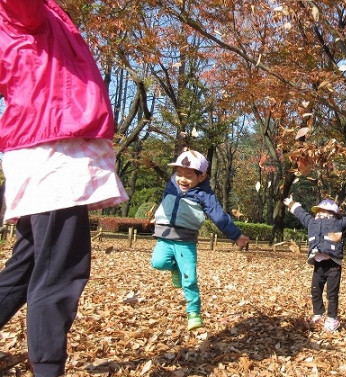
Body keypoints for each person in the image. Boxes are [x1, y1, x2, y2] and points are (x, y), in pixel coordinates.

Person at [0, 1, 129, 376]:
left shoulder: (49, 13)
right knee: (60, 269)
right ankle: (47, 370)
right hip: (52, 153)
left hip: (50, 148)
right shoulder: (22, 12)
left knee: (25, 269)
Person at [150, 150, 250, 331]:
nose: (182, 179)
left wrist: (236, 236)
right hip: (164, 236)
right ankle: (175, 268)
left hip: (185, 241)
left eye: (188, 176)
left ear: (202, 176)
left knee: (190, 279)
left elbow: (219, 215)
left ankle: (194, 313)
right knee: (158, 263)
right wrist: (159, 216)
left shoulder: (204, 195)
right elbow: (166, 201)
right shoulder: (172, 184)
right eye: (179, 174)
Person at [283, 195, 346, 332]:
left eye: (324, 211)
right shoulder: (311, 222)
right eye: (319, 211)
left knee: (332, 294)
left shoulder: (338, 223)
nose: (320, 213)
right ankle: (318, 314)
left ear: (333, 213)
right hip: (318, 264)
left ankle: (332, 319)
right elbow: (301, 214)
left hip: (333, 264)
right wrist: (291, 204)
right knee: (315, 291)